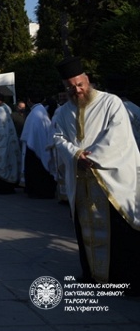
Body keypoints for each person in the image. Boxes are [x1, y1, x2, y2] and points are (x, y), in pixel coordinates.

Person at [52, 56, 140, 290]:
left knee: (119, 230)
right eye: (70, 87)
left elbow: (118, 136)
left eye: (79, 84)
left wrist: (89, 158)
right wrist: (74, 155)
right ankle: (92, 274)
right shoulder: (63, 111)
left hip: (110, 179)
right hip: (82, 180)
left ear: (87, 80)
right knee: (85, 229)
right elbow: (58, 137)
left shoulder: (110, 103)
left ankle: (125, 279)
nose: (77, 90)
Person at [21, 93, 56, 199]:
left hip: (34, 148)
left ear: (29, 101)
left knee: (36, 169)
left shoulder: (35, 113)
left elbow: (29, 134)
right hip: (38, 146)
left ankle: (38, 191)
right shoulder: (40, 111)